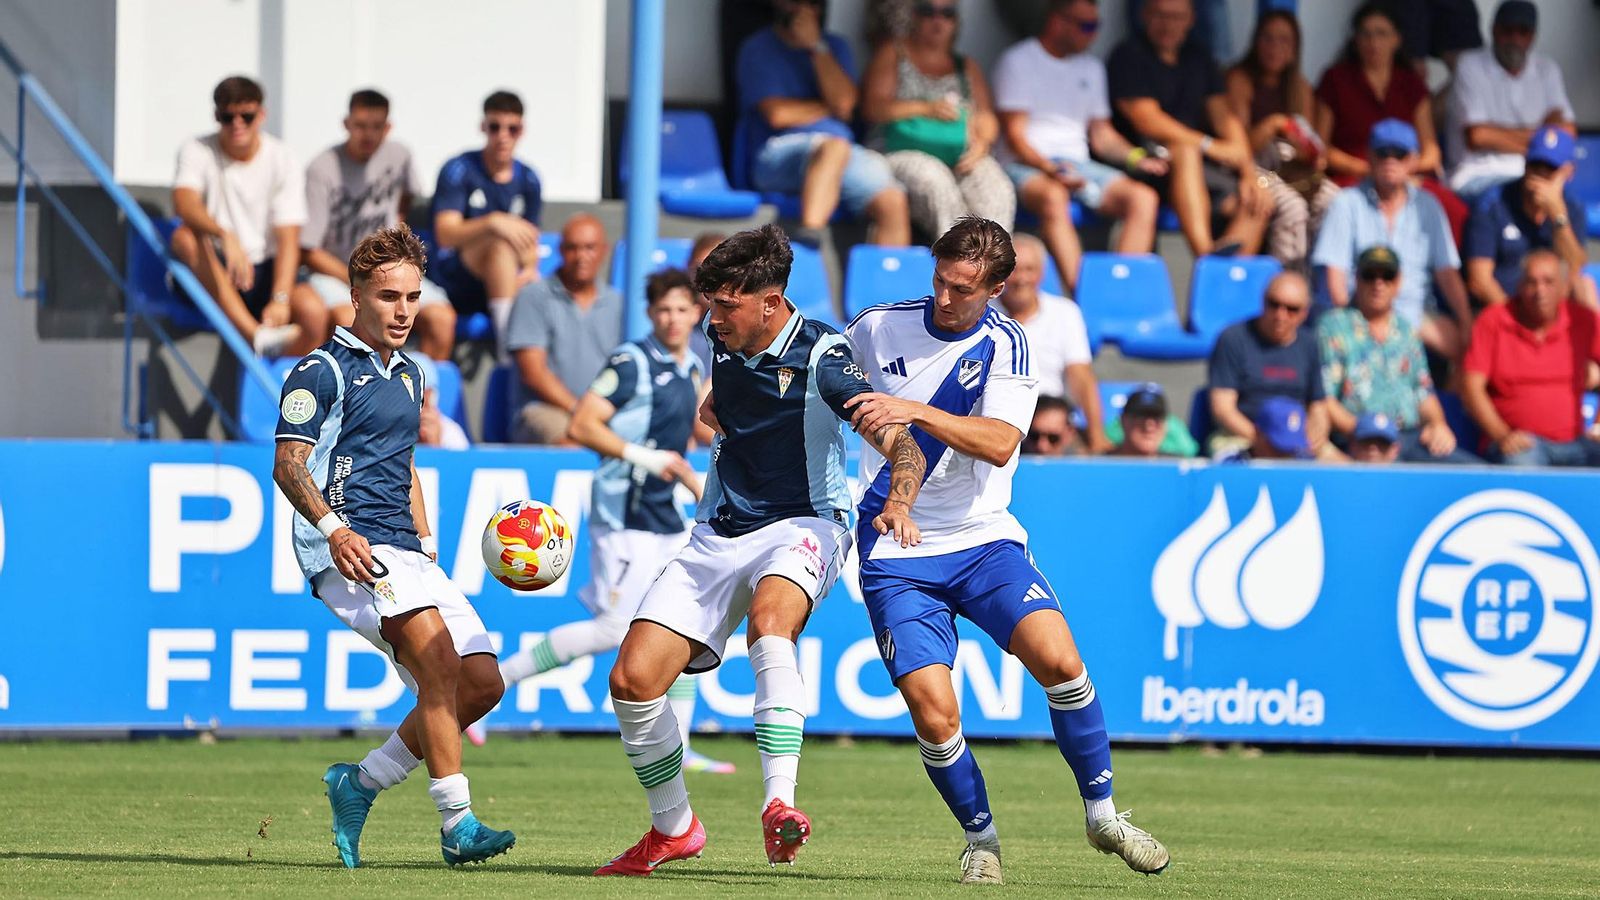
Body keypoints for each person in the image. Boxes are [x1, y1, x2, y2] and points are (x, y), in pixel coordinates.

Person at [594, 225, 925, 876]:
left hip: (807, 522)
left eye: (726, 307)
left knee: (770, 627)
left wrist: (900, 501)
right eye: (711, 305)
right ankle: (673, 829)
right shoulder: (725, 339)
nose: (712, 319)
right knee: (631, 683)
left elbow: (902, 443)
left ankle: (779, 807)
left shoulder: (825, 357)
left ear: (770, 303)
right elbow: (719, 408)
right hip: (720, 527)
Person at [846, 217, 1168, 883]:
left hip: (982, 538)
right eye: (938, 280)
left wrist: (914, 412)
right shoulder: (877, 326)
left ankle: (1103, 815)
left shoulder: (1007, 343)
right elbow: (830, 387)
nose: (943, 297)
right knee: (935, 716)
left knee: (1062, 662)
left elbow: (998, 441)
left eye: (962, 288)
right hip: (895, 550)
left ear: (994, 288)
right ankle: (981, 840)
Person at [271, 225, 513, 869]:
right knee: (437, 662)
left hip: (406, 549)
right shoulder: (320, 370)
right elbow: (289, 464)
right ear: (355, 295)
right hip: (346, 546)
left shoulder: (412, 372)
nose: (403, 311)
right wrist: (334, 530)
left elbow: (402, 465)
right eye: (388, 297)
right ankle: (456, 823)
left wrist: (428, 543)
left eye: (412, 297)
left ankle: (362, 782)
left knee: (483, 683)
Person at [481, 270, 735, 772]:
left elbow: (694, 434)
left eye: (683, 309)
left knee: (683, 623)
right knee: (613, 627)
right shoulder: (631, 361)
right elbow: (582, 424)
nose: (673, 318)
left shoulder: (692, 365)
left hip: (663, 514)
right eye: (664, 309)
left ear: (697, 314)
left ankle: (678, 747)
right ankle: (493, 684)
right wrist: (648, 459)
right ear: (650, 313)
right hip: (622, 512)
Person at [993, 0, 1164, 292]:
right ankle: (1083, 296)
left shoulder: (1092, 67)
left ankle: (1117, 291)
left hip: (1078, 165)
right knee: (1054, 196)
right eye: (1087, 26)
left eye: (1097, 25)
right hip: (1026, 164)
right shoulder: (1018, 61)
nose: (1094, 34)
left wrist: (1137, 158)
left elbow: (1102, 135)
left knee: (1143, 198)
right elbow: (1015, 137)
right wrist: (1050, 168)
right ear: (1058, 22)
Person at [736, 0, 911, 247]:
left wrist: (816, 47)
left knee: (892, 201)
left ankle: (889, 283)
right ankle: (809, 243)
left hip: (841, 152)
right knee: (833, 148)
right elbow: (778, 115)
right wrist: (828, 107)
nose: (801, 9)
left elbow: (846, 105)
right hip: (777, 154)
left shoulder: (834, 46)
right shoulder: (758, 48)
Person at [298, 89, 457, 361]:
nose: (368, 135)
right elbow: (309, 250)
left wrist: (397, 226)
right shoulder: (322, 168)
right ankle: (359, 399)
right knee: (350, 319)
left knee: (442, 320)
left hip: (390, 270)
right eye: (360, 126)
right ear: (346, 124)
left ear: (388, 127)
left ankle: (420, 398)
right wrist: (360, 278)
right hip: (338, 274)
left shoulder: (399, 155)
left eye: (376, 127)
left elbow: (408, 194)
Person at [1107, 0, 1270, 258]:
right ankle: (1205, 254)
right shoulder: (1128, 55)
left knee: (1259, 199)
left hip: (1198, 173)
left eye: (1176, 17)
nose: (1168, 24)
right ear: (1145, 15)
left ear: (1191, 19)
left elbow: (1225, 117)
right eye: (1161, 15)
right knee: (1186, 151)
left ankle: (1223, 281)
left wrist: (1249, 173)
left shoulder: (1199, 57)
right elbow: (1146, 119)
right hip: (1146, 165)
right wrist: (1208, 144)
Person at [170, 75, 316, 357]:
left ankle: (293, 395)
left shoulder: (282, 157)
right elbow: (183, 203)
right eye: (228, 117)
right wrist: (224, 234)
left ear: (261, 115)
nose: (237, 124)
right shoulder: (196, 149)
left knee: (313, 310)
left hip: (264, 271)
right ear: (216, 116)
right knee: (184, 238)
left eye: (246, 116)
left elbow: (289, 237)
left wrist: (281, 298)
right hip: (216, 266)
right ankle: (255, 336)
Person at [1311, 119, 1472, 362]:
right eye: (1382, 153)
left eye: (1399, 154)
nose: (1390, 161)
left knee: (1468, 352)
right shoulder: (1345, 202)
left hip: (1416, 313)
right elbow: (1336, 280)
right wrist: (1353, 325)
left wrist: (1466, 321)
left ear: (1413, 161)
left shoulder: (1429, 206)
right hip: (1359, 311)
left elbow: (1447, 273)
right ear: (1370, 157)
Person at [861, 0, 1014, 241]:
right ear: (914, 17)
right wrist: (925, 107)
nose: (937, 20)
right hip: (899, 151)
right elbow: (873, 108)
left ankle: (990, 267)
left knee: (995, 187)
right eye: (927, 12)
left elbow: (986, 116)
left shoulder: (966, 66)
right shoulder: (894, 53)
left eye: (947, 14)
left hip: (957, 152)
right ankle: (955, 263)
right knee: (935, 183)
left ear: (956, 22)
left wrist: (981, 144)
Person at [1312, 2, 1467, 239]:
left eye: (1381, 34)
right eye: (1366, 34)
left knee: (1456, 211)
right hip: (1353, 176)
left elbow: (1431, 151)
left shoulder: (1411, 84)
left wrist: (1401, 171)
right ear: (1356, 40)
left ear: (1397, 39)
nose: (1374, 42)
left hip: (1406, 177)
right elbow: (1320, 148)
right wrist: (1369, 169)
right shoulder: (1335, 79)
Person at [1317, 246, 1475, 464]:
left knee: (1469, 470)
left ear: (1398, 282)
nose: (1378, 284)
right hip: (1360, 440)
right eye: (1369, 276)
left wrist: (1437, 424)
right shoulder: (1334, 326)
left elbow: (1423, 392)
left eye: (1387, 276)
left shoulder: (1406, 329)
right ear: (1357, 279)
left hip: (1407, 437)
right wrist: (1364, 431)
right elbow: (1324, 398)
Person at [1224, 10, 1340, 272]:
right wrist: (1272, 124)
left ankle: (1320, 287)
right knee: (1292, 207)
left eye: (1284, 41)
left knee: (1335, 201)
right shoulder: (1240, 79)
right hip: (1255, 173)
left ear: (1294, 48)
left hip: (1291, 170)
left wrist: (1312, 153)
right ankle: (1285, 290)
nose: (1274, 47)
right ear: (1255, 42)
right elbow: (1240, 149)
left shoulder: (1299, 85)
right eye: (1267, 39)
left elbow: (1309, 145)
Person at [1463, 250, 1600, 467]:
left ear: (1564, 288)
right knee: (1523, 464)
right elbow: (1471, 388)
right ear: (1519, 286)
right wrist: (1502, 435)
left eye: (1549, 282)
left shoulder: (1583, 320)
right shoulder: (1493, 320)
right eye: (1531, 282)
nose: (1540, 291)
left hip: (1576, 443)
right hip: (1520, 444)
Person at [431, 91, 543, 355]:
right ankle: (508, 353)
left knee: (543, 285)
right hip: (457, 279)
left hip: (506, 283)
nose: (503, 136)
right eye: (495, 127)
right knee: (499, 247)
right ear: (483, 127)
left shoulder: (529, 180)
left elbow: (530, 240)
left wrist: (529, 269)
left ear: (521, 130)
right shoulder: (460, 169)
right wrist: (493, 223)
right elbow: (445, 233)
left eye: (511, 128)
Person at [505, 214, 623, 445]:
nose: (581, 256)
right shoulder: (533, 296)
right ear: (560, 250)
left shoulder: (617, 302)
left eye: (589, 248)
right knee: (574, 443)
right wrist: (581, 411)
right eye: (572, 248)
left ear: (603, 250)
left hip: (603, 414)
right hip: (544, 411)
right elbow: (533, 373)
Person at [1445, 0, 1576, 201]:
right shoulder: (1470, 65)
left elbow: (1567, 132)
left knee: (1565, 200)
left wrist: (1498, 135)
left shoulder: (1547, 69)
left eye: (1522, 32)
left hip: (1534, 171)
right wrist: (1543, 139)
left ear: (1532, 36)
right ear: (1494, 31)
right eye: (1508, 31)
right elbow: (1478, 137)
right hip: (1479, 174)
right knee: (1522, 199)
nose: (1514, 39)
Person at [990, 234, 1107, 452]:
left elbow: (1081, 376)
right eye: (1015, 270)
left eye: (1029, 269)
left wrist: (1096, 436)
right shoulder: (983, 313)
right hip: (997, 418)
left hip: (1050, 426)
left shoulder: (1065, 312)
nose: (1022, 278)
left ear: (1041, 273)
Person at [1464, 126, 1594, 309]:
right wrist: (1518, 325)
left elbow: (1575, 267)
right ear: (1525, 164)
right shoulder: (1492, 204)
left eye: (1550, 168)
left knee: (1585, 286)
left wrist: (1558, 215)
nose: (1540, 174)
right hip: (1504, 310)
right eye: (1535, 165)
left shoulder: (1571, 208)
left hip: (1550, 312)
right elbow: (1480, 280)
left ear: (1568, 172)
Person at [1207, 272, 1333, 458]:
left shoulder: (1309, 344)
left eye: (1291, 309)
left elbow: (1318, 405)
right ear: (1263, 301)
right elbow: (1223, 408)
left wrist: (1316, 435)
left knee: (1343, 469)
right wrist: (1265, 441)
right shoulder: (1233, 339)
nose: (1280, 315)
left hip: (1296, 439)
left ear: (1304, 313)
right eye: (1274, 304)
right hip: (1243, 436)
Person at [1217, 394, 1314, 462]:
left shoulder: (1307, 466)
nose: (1285, 456)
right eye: (1278, 449)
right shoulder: (1232, 465)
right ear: (1259, 433)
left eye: (1291, 449)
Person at [1109, 383, 1170, 458]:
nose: (1149, 426)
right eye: (1141, 416)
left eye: (1156, 417)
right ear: (1123, 421)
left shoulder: (1180, 465)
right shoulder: (1098, 465)